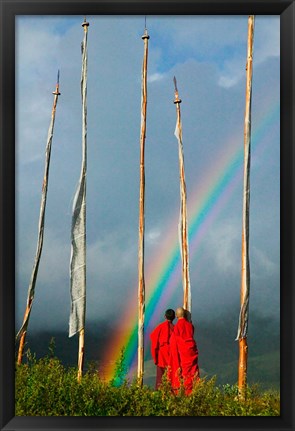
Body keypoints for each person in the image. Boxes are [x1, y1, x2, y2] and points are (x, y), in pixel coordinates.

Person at [169, 306, 200, 394]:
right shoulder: (190, 326)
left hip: (182, 353)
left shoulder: (177, 327)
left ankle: (186, 394)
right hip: (191, 352)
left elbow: (174, 342)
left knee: (185, 375)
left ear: (176, 316)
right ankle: (194, 393)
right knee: (193, 372)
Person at [150, 308, 175, 389]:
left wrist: (155, 358)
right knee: (171, 379)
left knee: (160, 381)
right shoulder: (175, 329)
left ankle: (159, 398)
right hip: (172, 359)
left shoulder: (160, 327)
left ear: (165, 316)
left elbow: (154, 343)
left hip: (161, 358)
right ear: (174, 317)